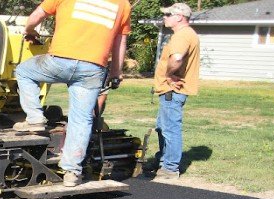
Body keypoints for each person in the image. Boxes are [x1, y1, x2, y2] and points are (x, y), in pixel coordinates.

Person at [14, 0, 131, 187]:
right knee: (81, 119)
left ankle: (35, 118)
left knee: (23, 71)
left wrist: (29, 30)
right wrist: (116, 72)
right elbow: (120, 41)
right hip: (93, 68)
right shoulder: (122, 4)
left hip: (60, 60)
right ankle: (72, 172)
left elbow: (36, 16)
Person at [152, 2, 200, 179]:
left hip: (172, 91)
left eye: (168, 15)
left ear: (179, 17)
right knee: (162, 127)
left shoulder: (182, 35)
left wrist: (169, 74)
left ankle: (170, 168)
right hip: (169, 91)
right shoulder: (187, 34)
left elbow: (177, 58)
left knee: (170, 129)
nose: (164, 18)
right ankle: (163, 161)